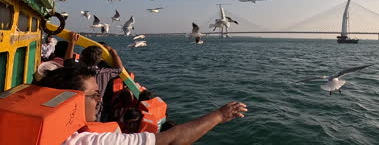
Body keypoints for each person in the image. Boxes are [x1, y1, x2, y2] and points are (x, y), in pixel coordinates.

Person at [39, 66, 248, 145]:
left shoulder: (42, 131)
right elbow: (170, 140)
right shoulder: (86, 142)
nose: (99, 100)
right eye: (94, 95)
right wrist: (220, 115)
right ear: (69, 99)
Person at [65, 32, 124, 122]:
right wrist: (112, 52)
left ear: (81, 58)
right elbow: (119, 69)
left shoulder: (76, 71)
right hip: (95, 113)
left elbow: (67, 62)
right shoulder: (104, 73)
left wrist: (72, 42)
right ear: (99, 60)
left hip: (76, 111)